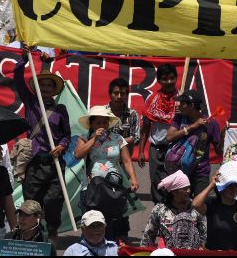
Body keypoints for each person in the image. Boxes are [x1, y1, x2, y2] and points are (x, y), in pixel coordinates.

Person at [12, 51, 70, 243]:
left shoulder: (61, 110)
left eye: (48, 85)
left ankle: (52, 233)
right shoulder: (30, 103)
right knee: (31, 204)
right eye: (42, 85)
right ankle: (29, 236)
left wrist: (61, 146)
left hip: (54, 163)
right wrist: (24, 58)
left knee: (53, 202)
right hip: (35, 164)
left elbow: (67, 135)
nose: (45, 88)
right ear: (37, 88)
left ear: (54, 89)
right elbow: (18, 76)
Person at [73, 105, 139, 241]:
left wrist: (133, 178)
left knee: (111, 223)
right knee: (90, 222)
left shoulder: (118, 138)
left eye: (104, 122)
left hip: (113, 188)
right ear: (91, 124)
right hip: (91, 188)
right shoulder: (84, 137)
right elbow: (78, 154)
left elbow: (126, 160)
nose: (101, 125)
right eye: (98, 122)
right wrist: (94, 139)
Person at [166, 91, 222, 195]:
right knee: (180, 205)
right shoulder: (179, 118)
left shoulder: (211, 124)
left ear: (191, 105)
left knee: (198, 206)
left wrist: (222, 136)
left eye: (182, 103)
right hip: (179, 171)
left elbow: (219, 151)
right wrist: (192, 127)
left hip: (200, 173)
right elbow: (169, 137)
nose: (178, 106)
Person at [138, 64, 179, 204]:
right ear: (158, 81)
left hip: (176, 148)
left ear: (177, 78)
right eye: (164, 79)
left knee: (175, 183)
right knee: (157, 183)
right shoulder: (152, 100)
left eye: (172, 78)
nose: (169, 82)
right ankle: (158, 212)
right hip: (156, 149)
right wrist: (142, 151)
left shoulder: (182, 100)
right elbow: (145, 128)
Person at [140, 170, 207, 249]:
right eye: (184, 189)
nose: (188, 191)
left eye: (189, 187)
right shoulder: (159, 209)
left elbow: (204, 234)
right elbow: (148, 236)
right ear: (174, 192)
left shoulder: (196, 208)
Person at [193, 171, 237, 251]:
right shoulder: (211, 204)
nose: (233, 189)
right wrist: (212, 184)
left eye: (235, 185)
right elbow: (195, 204)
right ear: (221, 187)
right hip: (214, 253)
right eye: (229, 185)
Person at [106, 78, 141, 149]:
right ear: (110, 94)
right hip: (101, 157)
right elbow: (92, 135)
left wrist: (115, 142)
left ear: (127, 95)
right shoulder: (101, 112)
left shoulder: (132, 114)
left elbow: (136, 138)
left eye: (122, 93)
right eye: (116, 93)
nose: (119, 96)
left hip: (123, 157)